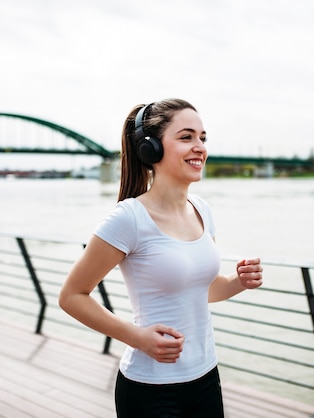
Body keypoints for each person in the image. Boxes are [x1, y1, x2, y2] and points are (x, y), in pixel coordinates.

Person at [59, 98, 263, 417]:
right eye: (186, 137)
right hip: (151, 391)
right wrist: (138, 337)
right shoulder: (128, 218)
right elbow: (71, 296)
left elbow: (203, 290)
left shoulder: (203, 210)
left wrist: (239, 282)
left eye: (203, 138)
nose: (199, 147)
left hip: (206, 377)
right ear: (150, 149)